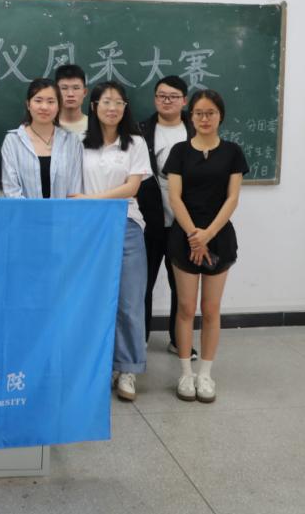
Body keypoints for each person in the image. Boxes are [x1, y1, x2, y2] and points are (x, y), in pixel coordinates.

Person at [165, 89, 248, 404]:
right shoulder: (179, 151)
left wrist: (207, 235)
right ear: (191, 116)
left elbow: (232, 198)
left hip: (219, 237)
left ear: (220, 116)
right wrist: (193, 235)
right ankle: (186, 373)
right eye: (198, 113)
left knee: (211, 309)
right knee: (186, 308)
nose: (204, 118)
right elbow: (175, 198)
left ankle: (205, 373)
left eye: (210, 112)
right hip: (184, 237)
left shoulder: (233, 152)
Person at [71, 81, 151, 402]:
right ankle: (100, 366)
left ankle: (128, 369)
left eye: (118, 102)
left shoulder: (135, 143)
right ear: (93, 106)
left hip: (125, 222)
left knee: (129, 301)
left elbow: (132, 188)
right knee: (92, 300)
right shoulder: (78, 143)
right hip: (88, 228)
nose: (112, 108)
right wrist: (88, 205)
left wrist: (91, 199)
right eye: (106, 101)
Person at [137, 75, 197, 359]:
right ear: (155, 99)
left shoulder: (195, 130)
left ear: (184, 100)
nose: (167, 101)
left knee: (182, 287)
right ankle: (139, 340)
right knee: (143, 284)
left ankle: (178, 340)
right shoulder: (141, 131)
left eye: (173, 96)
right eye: (161, 95)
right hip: (149, 222)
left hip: (185, 224)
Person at [1, 78, 82, 199]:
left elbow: (75, 188)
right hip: (23, 211)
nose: (44, 107)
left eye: (51, 102)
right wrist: (32, 211)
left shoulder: (71, 141)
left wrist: (64, 211)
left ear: (59, 106)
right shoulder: (13, 141)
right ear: (28, 104)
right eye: (38, 101)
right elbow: (11, 190)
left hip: (64, 211)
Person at [55, 64, 89, 139]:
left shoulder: (96, 126)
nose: (70, 94)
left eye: (76, 88)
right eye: (64, 88)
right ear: (56, 91)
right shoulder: (47, 126)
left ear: (85, 92)